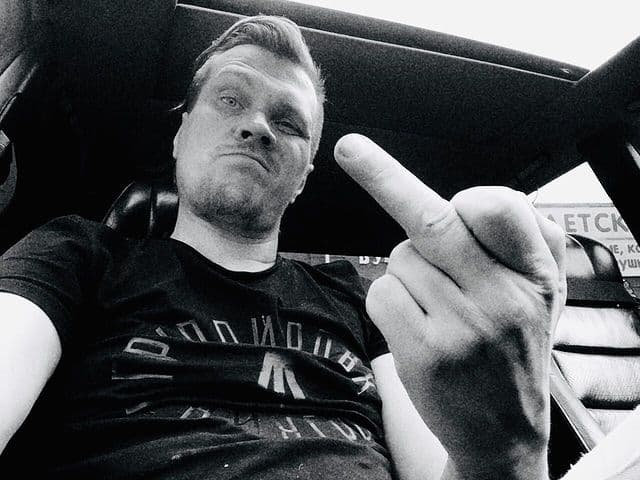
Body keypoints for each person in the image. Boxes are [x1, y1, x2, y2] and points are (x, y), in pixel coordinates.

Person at [0, 14, 615, 480]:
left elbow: (440, 468)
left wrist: (505, 455)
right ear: (180, 133)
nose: (257, 126)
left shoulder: (362, 298)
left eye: (289, 122)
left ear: (303, 178)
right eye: (230, 99)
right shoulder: (78, 256)